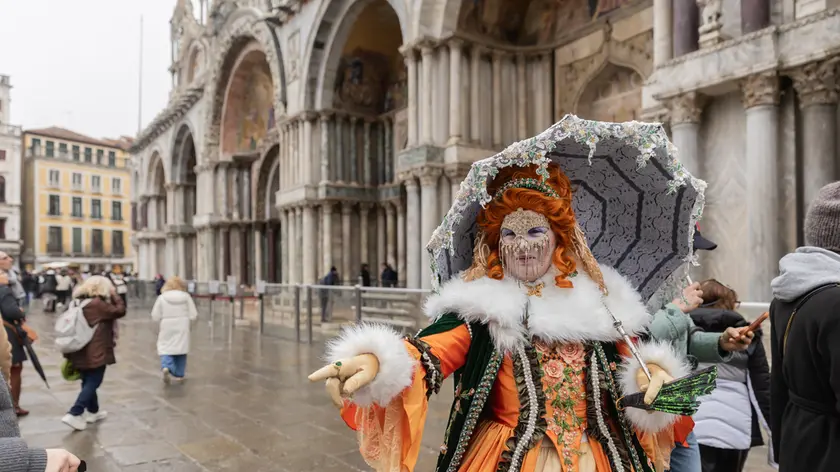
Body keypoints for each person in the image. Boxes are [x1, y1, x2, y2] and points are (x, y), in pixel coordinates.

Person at [310, 162, 702, 471]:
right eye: (509, 235)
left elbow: (634, 363)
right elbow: (428, 353)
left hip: (600, 455)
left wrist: (655, 378)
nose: (523, 247)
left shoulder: (601, 304)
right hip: (508, 456)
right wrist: (376, 359)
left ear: (559, 237)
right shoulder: (483, 306)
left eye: (535, 231)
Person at [647, 228, 753, 472]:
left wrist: (721, 342)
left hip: (679, 409)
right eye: (689, 250)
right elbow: (639, 338)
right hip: (647, 410)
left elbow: (688, 337)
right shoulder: (636, 282)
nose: (693, 258)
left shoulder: (676, 285)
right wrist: (677, 308)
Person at [770, 182, 840, 472]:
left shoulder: (785, 295)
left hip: (797, 440)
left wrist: (781, 447)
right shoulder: (836, 301)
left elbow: (778, 386)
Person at [690, 280, 772, 472]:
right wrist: (777, 436)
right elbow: (762, 387)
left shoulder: (682, 330)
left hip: (692, 422)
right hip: (735, 428)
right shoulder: (746, 334)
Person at [61, 276, 126, 431]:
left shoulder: (77, 302)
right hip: (95, 349)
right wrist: (115, 294)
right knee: (93, 381)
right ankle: (75, 412)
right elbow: (120, 311)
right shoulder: (97, 304)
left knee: (87, 380)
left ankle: (93, 412)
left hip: (78, 348)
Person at [150, 276, 198, 383]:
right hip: (182, 324)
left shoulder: (162, 298)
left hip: (167, 324)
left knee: (165, 346)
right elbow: (193, 314)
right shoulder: (186, 297)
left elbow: (155, 315)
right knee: (181, 348)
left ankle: (166, 365)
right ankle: (179, 374)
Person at [0, 270, 29, 416]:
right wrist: (21, 312)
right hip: (7, 333)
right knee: (15, 368)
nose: (6, 275)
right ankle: (13, 405)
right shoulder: (3, 290)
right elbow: (12, 312)